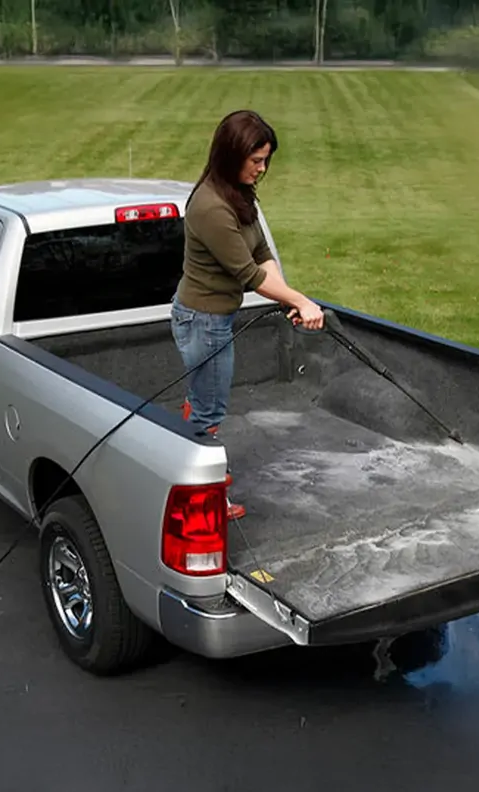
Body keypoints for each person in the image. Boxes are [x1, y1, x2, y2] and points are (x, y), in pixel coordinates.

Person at [170, 109, 324, 519]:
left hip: (213, 318)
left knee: (203, 402)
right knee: (209, 410)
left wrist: (289, 298)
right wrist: (300, 301)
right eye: (256, 160)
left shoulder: (238, 193)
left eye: (266, 160)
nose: (262, 168)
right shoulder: (211, 207)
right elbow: (249, 274)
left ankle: (192, 472)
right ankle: (201, 497)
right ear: (231, 154)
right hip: (202, 321)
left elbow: (261, 252)